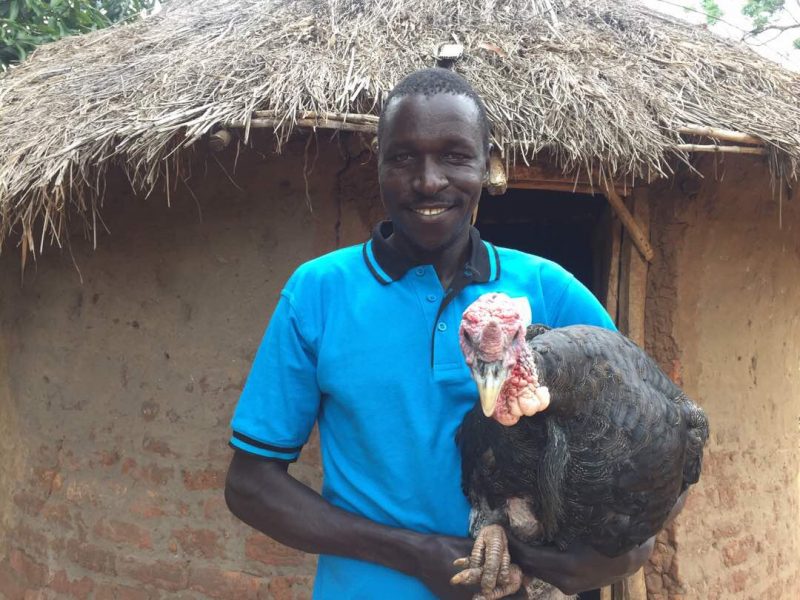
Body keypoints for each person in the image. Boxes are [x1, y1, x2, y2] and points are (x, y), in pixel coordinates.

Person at [225, 68, 656, 599]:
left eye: (454, 155)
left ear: (486, 165)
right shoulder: (319, 293)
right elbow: (250, 486)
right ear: (377, 166)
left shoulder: (550, 291)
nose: (428, 181)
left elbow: (657, 440)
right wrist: (414, 553)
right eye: (403, 157)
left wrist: (629, 550)